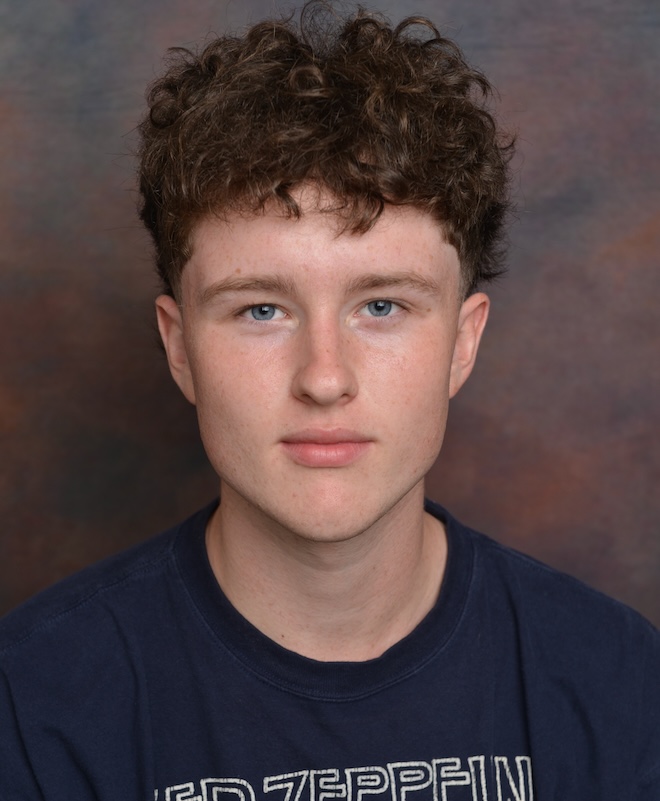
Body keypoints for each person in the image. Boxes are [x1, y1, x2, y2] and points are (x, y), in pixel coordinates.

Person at [1, 4, 658, 799]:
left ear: (462, 342)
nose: (323, 377)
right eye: (261, 309)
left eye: (381, 305)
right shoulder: (33, 707)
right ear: (179, 347)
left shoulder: (621, 685)